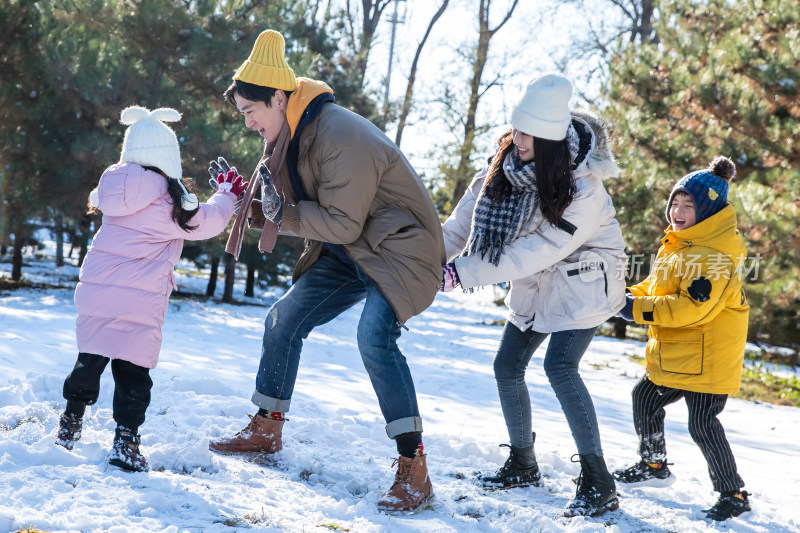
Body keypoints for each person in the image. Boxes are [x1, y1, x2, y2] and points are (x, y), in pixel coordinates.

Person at [206, 29, 445, 514]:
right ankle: (266, 427)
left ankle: (414, 468)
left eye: (251, 112)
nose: (248, 122)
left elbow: (338, 219)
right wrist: (246, 201)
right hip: (352, 248)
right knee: (283, 319)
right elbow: (293, 210)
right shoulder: (293, 135)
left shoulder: (338, 133)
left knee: (374, 338)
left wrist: (274, 212)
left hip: (400, 251)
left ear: (278, 98)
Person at [440, 72, 628, 517]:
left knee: (560, 367)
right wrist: (426, 260)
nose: (517, 138)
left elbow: (538, 249)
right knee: (507, 366)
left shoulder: (584, 187)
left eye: (527, 133)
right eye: (516, 128)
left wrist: (461, 273)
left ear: (549, 140)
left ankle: (599, 481)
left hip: (584, 285)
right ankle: (523, 463)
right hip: (535, 283)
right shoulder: (501, 166)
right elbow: (461, 224)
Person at [55, 106, 245, 472]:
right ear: (167, 157)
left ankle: (71, 420)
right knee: (132, 372)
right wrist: (226, 195)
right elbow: (208, 222)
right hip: (138, 300)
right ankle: (125, 441)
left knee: (89, 359)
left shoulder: (112, 192)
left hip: (97, 290)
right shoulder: (167, 203)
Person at [614, 156, 751, 522]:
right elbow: (658, 287)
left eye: (688, 205)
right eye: (675, 202)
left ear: (706, 211)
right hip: (682, 353)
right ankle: (654, 464)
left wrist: (634, 309)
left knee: (703, 424)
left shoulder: (713, 256)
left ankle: (733, 493)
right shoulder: (678, 245)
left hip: (709, 355)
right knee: (644, 396)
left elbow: (691, 308)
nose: (677, 210)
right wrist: (623, 295)